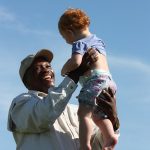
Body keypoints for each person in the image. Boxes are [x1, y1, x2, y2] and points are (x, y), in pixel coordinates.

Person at [7, 49, 119, 150]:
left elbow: (97, 146)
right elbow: (44, 114)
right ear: (26, 81)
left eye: (48, 66)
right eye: (37, 68)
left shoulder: (76, 111)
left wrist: (112, 120)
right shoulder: (20, 104)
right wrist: (74, 75)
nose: (46, 70)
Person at [58, 8, 118, 150]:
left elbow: (76, 62)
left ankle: (85, 145)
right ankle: (109, 137)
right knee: (98, 117)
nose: (67, 41)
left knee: (83, 114)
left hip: (94, 81)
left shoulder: (79, 43)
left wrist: (63, 70)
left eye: (65, 38)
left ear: (70, 31)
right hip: (108, 82)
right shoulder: (98, 40)